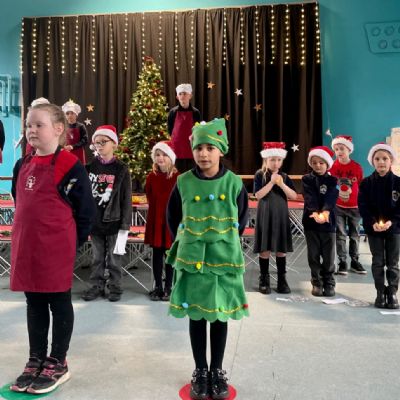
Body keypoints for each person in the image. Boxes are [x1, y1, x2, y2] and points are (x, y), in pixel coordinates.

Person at [9, 103, 95, 394]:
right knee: (33, 302)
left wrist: (71, 242)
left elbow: (85, 212)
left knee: (58, 302)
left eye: (39, 125)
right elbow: (21, 200)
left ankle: (58, 361)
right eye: (28, 125)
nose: (31, 130)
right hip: (27, 245)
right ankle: (36, 359)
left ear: (59, 129)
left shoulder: (71, 166)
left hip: (56, 246)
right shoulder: (22, 164)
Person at [166, 118, 249, 400]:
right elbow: (172, 218)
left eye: (210, 148)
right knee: (197, 314)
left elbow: (242, 218)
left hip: (223, 260)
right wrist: (187, 242)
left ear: (221, 150)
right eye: (198, 148)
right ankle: (200, 370)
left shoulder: (234, 183)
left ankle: (217, 370)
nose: (203, 154)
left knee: (219, 314)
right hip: (193, 261)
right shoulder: (183, 182)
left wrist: (224, 241)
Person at [82, 125, 132, 302]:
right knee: (97, 258)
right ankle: (96, 285)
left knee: (114, 258)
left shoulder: (121, 169)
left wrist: (125, 224)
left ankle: (115, 287)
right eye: (97, 143)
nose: (100, 145)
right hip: (95, 221)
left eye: (104, 142)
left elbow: (126, 198)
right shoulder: (89, 168)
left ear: (114, 144)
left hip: (114, 221)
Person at [358, 143, 400, 309]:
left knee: (393, 262)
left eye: (385, 158)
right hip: (374, 229)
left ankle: (392, 292)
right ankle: (380, 292)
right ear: (372, 161)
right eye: (377, 159)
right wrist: (372, 222)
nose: (381, 162)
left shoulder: (398, 183)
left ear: (391, 161)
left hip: (394, 228)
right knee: (377, 261)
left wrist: (392, 221)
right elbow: (363, 206)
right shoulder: (366, 183)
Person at [253, 142, 297, 294]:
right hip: (265, 215)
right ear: (266, 160)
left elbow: (293, 195)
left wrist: (282, 184)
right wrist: (271, 182)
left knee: (281, 249)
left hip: (281, 216)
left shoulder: (284, 176)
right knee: (265, 249)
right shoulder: (260, 175)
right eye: (272, 160)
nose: (276, 163)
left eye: (279, 160)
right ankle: (264, 278)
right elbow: (258, 195)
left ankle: (282, 279)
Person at [302, 146, 339, 297]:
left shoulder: (333, 180)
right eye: (314, 162)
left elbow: (331, 197)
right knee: (313, 255)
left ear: (327, 164)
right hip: (311, 223)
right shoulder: (307, 179)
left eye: (321, 163)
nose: (317, 165)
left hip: (328, 224)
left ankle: (329, 282)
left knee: (329, 256)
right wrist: (315, 213)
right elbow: (309, 197)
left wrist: (325, 212)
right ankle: (316, 281)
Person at [145, 140, 179, 301]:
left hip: (171, 221)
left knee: (169, 254)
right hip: (156, 220)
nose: (160, 158)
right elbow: (150, 196)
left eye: (164, 154)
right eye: (157, 155)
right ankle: (157, 286)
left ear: (171, 157)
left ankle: (168, 287)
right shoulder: (151, 177)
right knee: (157, 254)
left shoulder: (178, 178)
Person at [330, 135, 366, 275]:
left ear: (349, 150)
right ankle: (342, 262)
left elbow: (362, 186)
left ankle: (355, 261)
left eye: (342, 148)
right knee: (340, 235)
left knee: (355, 235)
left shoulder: (357, 167)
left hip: (355, 208)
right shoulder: (332, 166)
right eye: (336, 149)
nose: (339, 151)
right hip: (338, 207)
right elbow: (331, 185)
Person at [168, 83, 201, 172]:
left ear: (190, 96)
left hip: (191, 146)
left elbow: (198, 129)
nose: (182, 96)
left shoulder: (195, 112)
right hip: (177, 148)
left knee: (191, 172)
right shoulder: (173, 112)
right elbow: (170, 129)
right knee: (178, 172)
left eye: (185, 94)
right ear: (177, 97)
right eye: (180, 94)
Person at [61, 100, 88, 164]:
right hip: (66, 152)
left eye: (72, 113)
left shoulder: (81, 126)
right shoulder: (63, 126)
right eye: (67, 113)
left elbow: (85, 140)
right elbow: (60, 139)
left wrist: (73, 146)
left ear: (76, 115)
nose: (70, 115)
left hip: (78, 152)